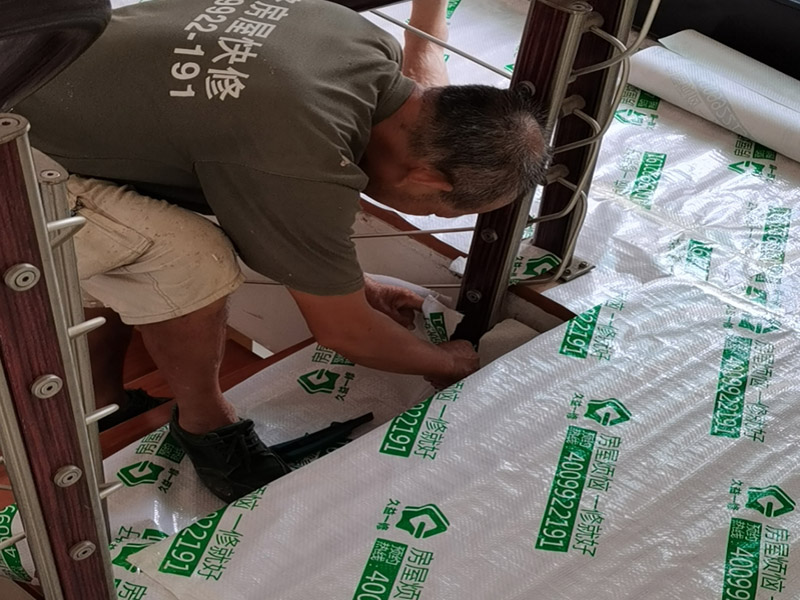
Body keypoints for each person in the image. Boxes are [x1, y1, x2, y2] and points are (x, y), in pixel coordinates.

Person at [16, 0, 551, 501]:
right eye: (439, 212)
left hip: (28, 67)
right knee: (188, 257)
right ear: (428, 178)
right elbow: (344, 333)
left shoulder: (357, 39)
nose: (429, 219)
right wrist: (446, 362)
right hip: (14, 152)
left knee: (135, 230)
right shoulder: (307, 158)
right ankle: (207, 427)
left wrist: (354, 286)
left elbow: (264, 188)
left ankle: (102, 402)